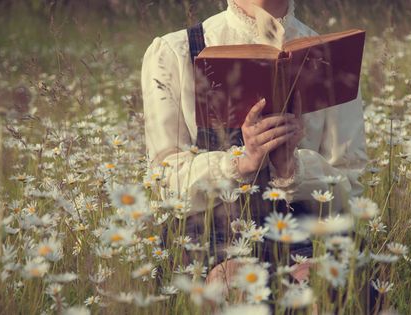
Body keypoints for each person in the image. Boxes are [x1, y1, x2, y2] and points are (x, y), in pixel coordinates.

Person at [141, 0, 368, 285]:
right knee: (233, 280)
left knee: (314, 281)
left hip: (307, 234)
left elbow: (351, 189)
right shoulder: (175, 52)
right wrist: (241, 163)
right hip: (210, 235)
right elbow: (162, 182)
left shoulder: (331, 58)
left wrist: (291, 167)